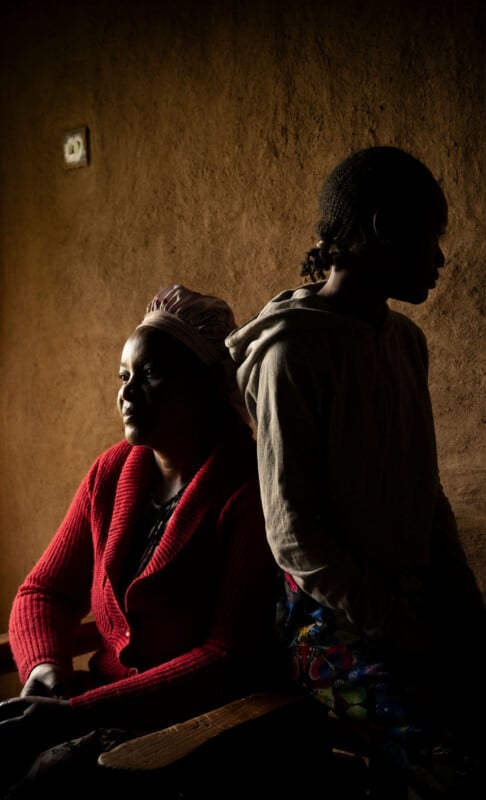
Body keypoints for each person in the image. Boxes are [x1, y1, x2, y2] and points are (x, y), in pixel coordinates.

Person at [225, 146, 486, 797]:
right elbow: (296, 540)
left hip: (409, 606)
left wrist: (465, 612)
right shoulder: (289, 355)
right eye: (430, 238)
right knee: (457, 766)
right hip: (330, 624)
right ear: (383, 232)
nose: (440, 259)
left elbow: (427, 495)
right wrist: (409, 630)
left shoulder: (404, 344)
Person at [0, 284, 282, 798]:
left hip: (197, 732)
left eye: (149, 375)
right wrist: (46, 670)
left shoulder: (248, 488)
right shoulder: (112, 473)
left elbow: (226, 657)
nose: (126, 394)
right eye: (123, 376)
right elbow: (44, 591)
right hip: (90, 712)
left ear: (207, 384)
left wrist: (74, 713)